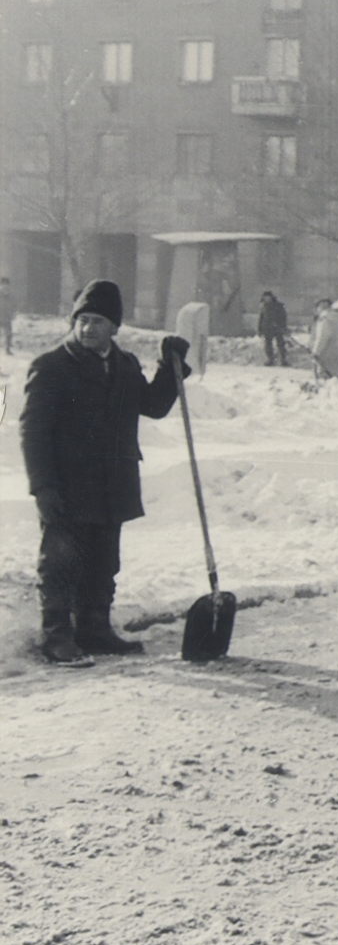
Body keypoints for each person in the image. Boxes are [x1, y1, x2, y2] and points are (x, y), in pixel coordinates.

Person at [19, 280, 189, 666]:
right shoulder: (51, 367)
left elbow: (155, 405)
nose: (88, 328)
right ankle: (57, 637)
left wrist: (170, 365)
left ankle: (95, 629)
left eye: (97, 321)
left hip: (113, 482)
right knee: (61, 563)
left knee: (103, 560)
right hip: (67, 485)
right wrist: (42, 487)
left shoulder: (125, 365)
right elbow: (33, 431)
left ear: (115, 327)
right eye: (82, 320)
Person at [257, 290, 289, 367]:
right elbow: (261, 319)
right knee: (268, 345)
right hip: (267, 328)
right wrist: (260, 329)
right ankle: (270, 359)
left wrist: (283, 326)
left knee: (281, 344)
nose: (266, 299)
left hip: (277, 328)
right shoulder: (263, 307)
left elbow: (283, 317)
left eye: (268, 298)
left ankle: (283, 360)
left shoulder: (278, 306)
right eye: (265, 298)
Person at [0, 274, 15, 355]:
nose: (6, 288)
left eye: (7, 286)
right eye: (4, 285)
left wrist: (13, 313)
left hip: (7, 317)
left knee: (8, 334)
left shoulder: (11, 296)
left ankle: (7, 349)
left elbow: (13, 305)